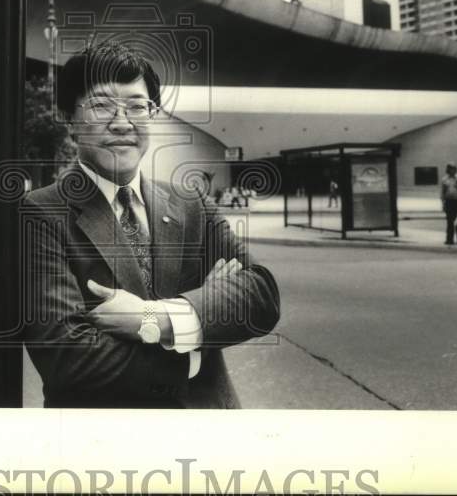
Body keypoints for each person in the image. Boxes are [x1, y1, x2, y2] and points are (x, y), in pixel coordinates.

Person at [21, 40, 280, 408]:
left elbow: (261, 295)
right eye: (101, 105)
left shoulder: (192, 203)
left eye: (137, 106)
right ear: (69, 120)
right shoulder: (41, 213)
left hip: (209, 429)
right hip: (105, 447)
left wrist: (156, 319)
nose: (122, 122)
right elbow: (69, 359)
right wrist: (195, 341)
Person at [440, 163, 457, 245]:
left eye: (453, 168)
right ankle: (449, 239)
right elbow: (442, 192)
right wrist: (443, 203)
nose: (452, 170)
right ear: (448, 170)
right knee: (449, 222)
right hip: (448, 202)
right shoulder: (444, 180)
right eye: (450, 169)